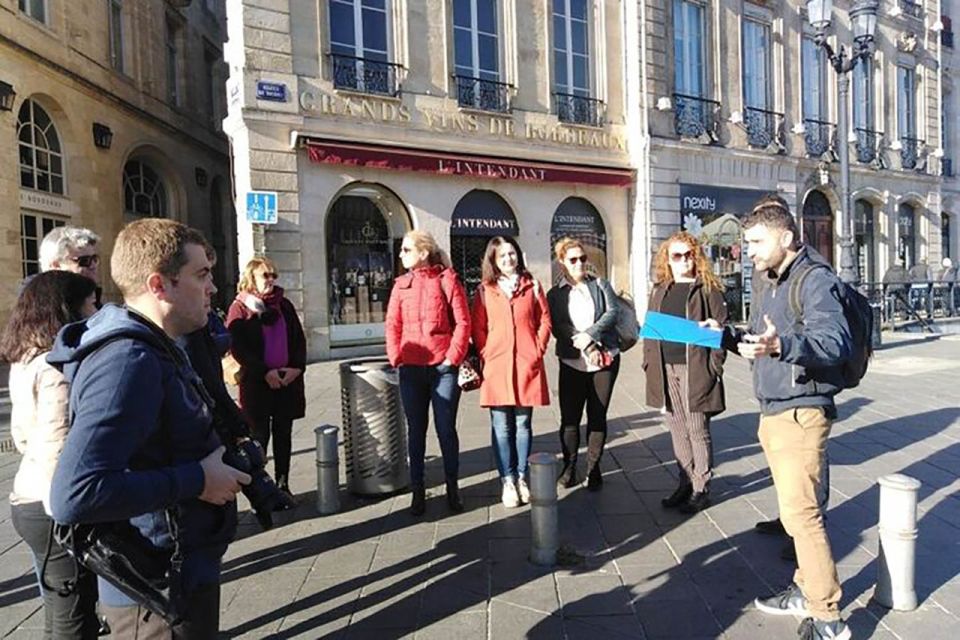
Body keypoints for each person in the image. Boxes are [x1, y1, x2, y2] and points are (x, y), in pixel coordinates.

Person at [49, 219, 250, 638]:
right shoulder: (127, 361)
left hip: (175, 574)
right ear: (160, 285)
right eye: (201, 275)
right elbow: (75, 494)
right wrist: (198, 479)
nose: (213, 288)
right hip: (153, 592)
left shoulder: (156, 343)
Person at [703, 195, 853, 640]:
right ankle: (805, 591)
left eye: (755, 241)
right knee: (793, 516)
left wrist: (780, 347)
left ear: (785, 237)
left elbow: (834, 341)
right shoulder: (768, 277)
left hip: (800, 411)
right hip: (774, 408)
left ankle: (828, 618)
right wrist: (729, 337)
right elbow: (762, 338)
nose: (746, 249)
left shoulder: (814, 278)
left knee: (803, 517)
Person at [1, 271, 100, 639]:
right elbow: (59, 441)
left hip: (31, 494)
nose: (96, 310)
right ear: (67, 310)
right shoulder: (55, 365)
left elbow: (23, 435)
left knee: (62, 612)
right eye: (90, 303)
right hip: (53, 500)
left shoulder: (26, 355)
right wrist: (73, 500)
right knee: (73, 618)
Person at [385, 230, 471, 516]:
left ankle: (452, 488)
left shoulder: (448, 280)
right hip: (411, 368)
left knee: (446, 429)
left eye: (406, 250)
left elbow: (463, 322)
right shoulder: (400, 285)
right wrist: (396, 357)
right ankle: (418, 490)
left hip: (442, 368)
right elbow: (392, 325)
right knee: (416, 431)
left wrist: (452, 357)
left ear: (423, 253)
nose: (401, 255)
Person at [643, 231, 728, 514]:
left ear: (696, 257)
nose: (683, 261)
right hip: (664, 368)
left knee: (696, 429)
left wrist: (714, 367)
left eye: (688, 255)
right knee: (676, 428)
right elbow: (651, 330)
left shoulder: (706, 289)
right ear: (668, 260)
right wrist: (648, 364)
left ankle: (701, 487)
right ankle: (686, 481)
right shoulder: (660, 289)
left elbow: (721, 330)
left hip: (695, 368)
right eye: (676, 256)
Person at [470, 237, 552, 508]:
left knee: (522, 425)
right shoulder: (484, 290)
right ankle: (507, 480)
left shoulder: (533, 285)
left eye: (512, 253)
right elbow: (478, 328)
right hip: (497, 366)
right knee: (501, 427)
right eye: (502, 255)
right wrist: (486, 353)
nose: (508, 259)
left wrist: (537, 348)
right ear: (493, 260)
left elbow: (544, 320)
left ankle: (521, 476)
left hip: (526, 364)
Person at [226, 257, 307, 499]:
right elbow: (238, 348)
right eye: (265, 276)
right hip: (257, 386)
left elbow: (298, 340)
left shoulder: (285, 305)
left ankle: (283, 484)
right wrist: (265, 372)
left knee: (284, 436)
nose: (271, 280)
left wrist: (296, 368)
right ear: (252, 278)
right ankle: (261, 490)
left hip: (286, 383)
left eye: (274, 275)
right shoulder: (239, 308)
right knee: (258, 439)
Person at [546, 237, 621, 491]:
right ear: (562, 262)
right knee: (570, 418)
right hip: (572, 362)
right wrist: (586, 345)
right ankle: (569, 467)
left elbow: (612, 313)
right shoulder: (555, 294)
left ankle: (593, 467)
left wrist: (591, 334)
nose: (579, 263)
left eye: (582, 258)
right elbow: (558, 325)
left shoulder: (600, 284)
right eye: (573, 260)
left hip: (604, 360)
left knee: (597, 415)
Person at [19, 226, 104, 306]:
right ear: (55, 266)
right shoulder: (40, 310)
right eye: (84, 261)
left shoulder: (93, 304)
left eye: (94, 259)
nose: (93, 266)